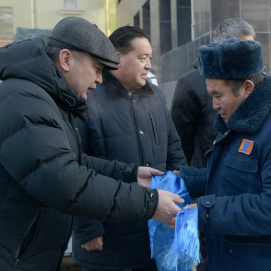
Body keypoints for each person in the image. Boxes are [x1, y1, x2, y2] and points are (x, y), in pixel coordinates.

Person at [0, 17, 184, 271]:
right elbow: (64, 180)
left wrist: (130, 173)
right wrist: (149, 203)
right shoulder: (25, 101)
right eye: (97, 68)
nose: (100, 79)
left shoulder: (47, 98)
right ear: (66, 60)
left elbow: (73, 160)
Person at [72, 26, 187, 271]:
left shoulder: (156, 95)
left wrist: (185, 205)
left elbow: (174, 152)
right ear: (116, 57)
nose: (149, 65)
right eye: (142, 58)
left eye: (150, 58)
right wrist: (87, 226)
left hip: (158, 235)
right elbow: (74, 166)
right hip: (109, 240)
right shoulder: (87, 98)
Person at [180, 37, 271, 271]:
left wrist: (204, 212)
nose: (214, 105)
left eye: (218, 95)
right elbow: (228, 179)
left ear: (247, 88)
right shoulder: (235, 122)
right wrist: (181, 180)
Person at [170, 18, 270, 170]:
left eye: (251, 47)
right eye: (241, 49)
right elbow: (182, 142)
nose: (248, 56)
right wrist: (186, 177)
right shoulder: (190, 84)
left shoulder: (261, 81)